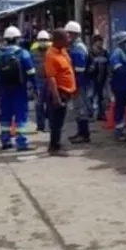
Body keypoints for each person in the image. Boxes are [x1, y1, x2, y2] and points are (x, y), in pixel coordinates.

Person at [0, 25, 37, 151]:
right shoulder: (23, 54)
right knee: (20, 117)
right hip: (20, 90)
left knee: (5, 117)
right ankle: (21, 142)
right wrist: (35, 87)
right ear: (17, 39)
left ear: (6, 39)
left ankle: (5, 141)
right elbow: (31, 72)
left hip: (4, 91)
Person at [43, 28, 75, 156]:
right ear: (58, 40)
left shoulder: (63, 51)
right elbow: (51, 78)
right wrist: (56, 97)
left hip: (66, 91)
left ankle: (56, 144)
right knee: (56, 121)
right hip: (58, 92)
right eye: (66, 38)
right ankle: (54, 147)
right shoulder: (51, 55)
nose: (69, 40)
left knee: (60, 120)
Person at [65, 20, 91, 144]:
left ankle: (84, 134)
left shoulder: (78, 48)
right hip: (76, 83)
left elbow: (79, 69)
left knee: (81, 108)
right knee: (78, 108)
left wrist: (74, 84)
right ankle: (80, 132)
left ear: (73, 34)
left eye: (68, 34)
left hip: (79, 83)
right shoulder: (74, 47)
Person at [30, 30, 52, 132]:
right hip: (38, 81)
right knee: (39, 104)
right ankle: (40, 125)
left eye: (45, 40)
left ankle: (50, 124)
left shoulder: (52, 51)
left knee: (50, 104)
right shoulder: (33, 52)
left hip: (50, 80)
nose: (43, 41)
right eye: (41, 40)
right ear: (37, 41)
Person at [88, 34, 109, 121]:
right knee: (91, 96)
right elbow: (87, 65)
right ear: (94, 43)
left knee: (102, 97)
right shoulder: (90, 53)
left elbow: (108, 64)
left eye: (101, 42)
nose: (100, 44)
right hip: (92, 78)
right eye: (98, 42)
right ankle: (90, 114)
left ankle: (101, 114)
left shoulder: (104, 52)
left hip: (102, 78)